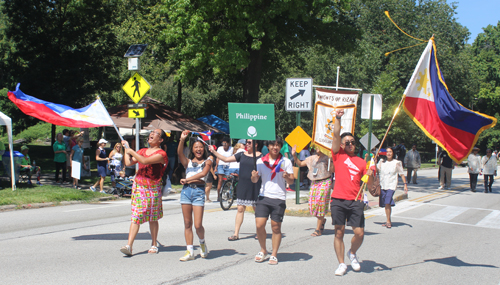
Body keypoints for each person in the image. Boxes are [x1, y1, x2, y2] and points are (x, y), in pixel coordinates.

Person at [330, 109, 373, 276]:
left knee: (359, 233)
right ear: (342, 145)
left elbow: (368, 185)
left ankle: (352, 253)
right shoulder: (338, 155)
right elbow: (335, 135)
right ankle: (341, 264)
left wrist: (370, 175)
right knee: (339, 231)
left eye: (352, 142)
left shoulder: (362, 162)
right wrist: (338, 118)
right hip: (338, 200)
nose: (350, 144)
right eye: (346, 142)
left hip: (356, 200)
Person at [119, 129, 168, 256]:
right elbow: (129, 162)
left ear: (161, 140)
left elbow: (145, 161)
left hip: (153, 188)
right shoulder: (141, 151)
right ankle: (129, 245)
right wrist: (126, 149)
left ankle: (153, 244)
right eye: (151, 132)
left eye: (156, 133)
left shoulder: (161, 154)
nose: (152, 134)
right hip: (139, 186)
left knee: (153, 217)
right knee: (136, 215)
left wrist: (131, 151)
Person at [251, 136, 294, 265]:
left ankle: (274, 254)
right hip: (264, 196)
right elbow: (254, 180)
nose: (275, 147)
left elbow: (292, 180)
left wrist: (287, 177)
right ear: (268, 146)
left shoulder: (286, 161)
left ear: (280, 147)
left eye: (278, 145)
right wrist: (253, 177)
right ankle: (263, 250)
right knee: (259, 225)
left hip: (279, 198)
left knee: (276, 228)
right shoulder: (260, 162)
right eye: (272, 145)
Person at [209, 139, 262, 241]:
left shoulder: (261, 156)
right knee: (240, 209)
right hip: (243, 184)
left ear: (256, 144)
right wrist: (214, 152)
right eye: (247, 142)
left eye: (250, 142)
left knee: (257, 210)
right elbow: (226, 159)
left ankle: (259, 232)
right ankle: (236, 233)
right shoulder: (241, 154)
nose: (247, 144)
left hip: (256, 185)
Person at [177, 130, 212, 261]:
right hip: (186, 192)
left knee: (197, 225)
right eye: (196, 147)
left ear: (204, 149)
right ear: (192, 148)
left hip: (198, 192)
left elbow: (203, 174)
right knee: (187, 223)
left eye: (201, 147)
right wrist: (182, 139)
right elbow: (179, 153)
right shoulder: (188, 162)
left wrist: (188, 180)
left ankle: (202, 243)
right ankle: (190, 251)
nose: (198, 149)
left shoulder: (208, 160)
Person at [292, 145, 333, 237]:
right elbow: (300, 164)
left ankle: (318, 229)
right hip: (314, 182)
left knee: (320, 204)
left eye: (320, 146)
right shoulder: (311, 158)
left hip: (324, 181)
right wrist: (294, 155)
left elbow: (332, 170)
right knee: (313, 206)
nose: (318, 148)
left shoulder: (328, 158)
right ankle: (322, 220)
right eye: (317, 147)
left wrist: (332, 160)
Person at [377, 147, 408, 229]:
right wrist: (371, 159)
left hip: (391, 185)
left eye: (390, 152)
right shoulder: (382, 162)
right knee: (386, 204)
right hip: (383, 185)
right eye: (387, 152)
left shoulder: (397, 162)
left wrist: (405, 184)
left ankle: (388, 221)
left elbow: (401, 174)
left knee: (387, 202)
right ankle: (388, 219)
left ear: (393, 153)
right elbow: (376, 169)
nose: (388, 153)